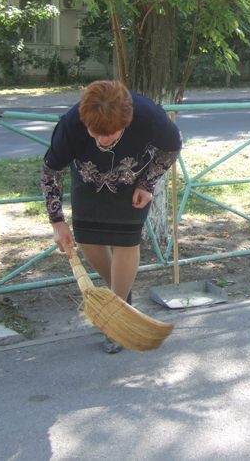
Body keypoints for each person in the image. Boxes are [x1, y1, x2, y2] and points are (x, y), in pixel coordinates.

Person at [41, 80, 182, 353]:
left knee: (125, 241)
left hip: (132, 183)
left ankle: (117, 319)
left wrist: (147, 184)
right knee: (87, 239)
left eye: (111, 133)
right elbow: (50, 172)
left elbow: (172, 147)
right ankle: (121, 300)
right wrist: (57, 221)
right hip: (88, 180)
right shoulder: (70, 124)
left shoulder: (148, 116)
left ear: (127, 122)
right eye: (96, 133)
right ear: (85, 121)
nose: (104, 140)